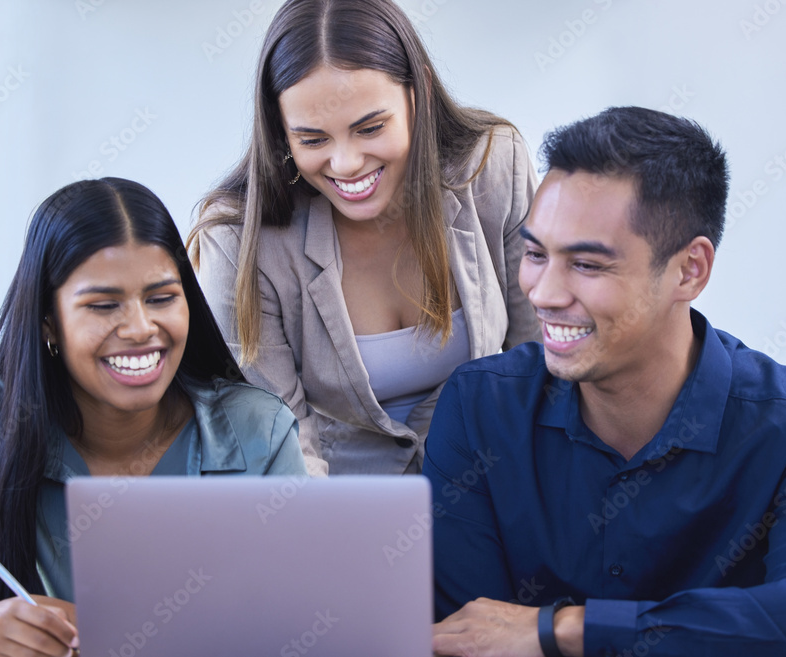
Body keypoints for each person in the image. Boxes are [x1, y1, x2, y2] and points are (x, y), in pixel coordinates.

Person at [424, 107, 786, 657]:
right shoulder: (478, 409)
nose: (544, 292)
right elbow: (469, 641)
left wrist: (563, 631)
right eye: (536, 254)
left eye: (586, 265)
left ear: (690, 270)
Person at [0, 178, 306, 654]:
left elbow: (308, 612)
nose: (140, 328)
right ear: (48, 321)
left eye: (161, 298)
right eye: (102, 305)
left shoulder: (260, 429)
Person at [191, 0, 541, 476]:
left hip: (492, 485)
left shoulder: (490, 166)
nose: (347, 163)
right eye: (313, 140)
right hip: (338, 512)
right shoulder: (236, 242)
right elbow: (280, 444)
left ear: (418, 92)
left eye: (370, 128)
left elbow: (542, 360)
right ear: (281, 131)